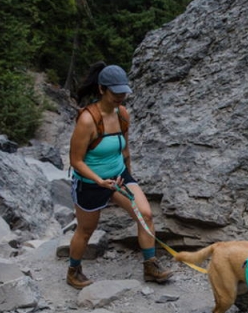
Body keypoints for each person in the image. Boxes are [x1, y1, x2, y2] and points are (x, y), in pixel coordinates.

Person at [66, 62, 173, 289]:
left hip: (119, 177)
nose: (120, 97)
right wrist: (99, 181)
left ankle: (150, 266)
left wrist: (129, 176)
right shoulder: (87, 120)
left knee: (146, 215)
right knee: (85, 231)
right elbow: (75, 161)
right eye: (116, 93)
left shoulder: (123, 114)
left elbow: (124, 148)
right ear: (102, 89)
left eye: (123, 93)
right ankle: (73, 271)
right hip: (91, 182)